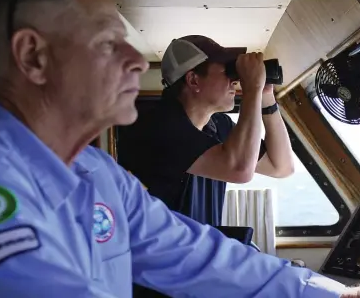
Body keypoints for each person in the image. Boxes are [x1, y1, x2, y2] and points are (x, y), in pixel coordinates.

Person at [0, 0, 360, 298]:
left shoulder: (94, 173)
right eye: (108, 42)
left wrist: (340, 296)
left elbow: (195, 253)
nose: (137, 61)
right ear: (34, 57)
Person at [119, 34, 295, 227]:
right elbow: (239, 171)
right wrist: (252, 88)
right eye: (227, 71)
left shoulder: (219, 125)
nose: (234, 81)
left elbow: (281, 167)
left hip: (198, 251)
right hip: (163, 254)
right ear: (193, 80)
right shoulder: (159, 126)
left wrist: (266, 97)